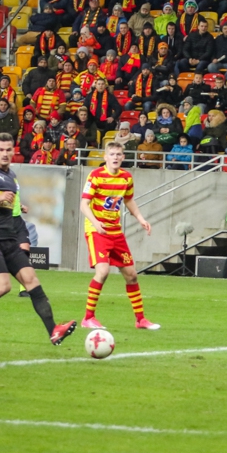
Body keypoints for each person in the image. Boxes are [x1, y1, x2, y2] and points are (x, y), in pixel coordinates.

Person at [0, 133, 77, 345]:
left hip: (9, 239)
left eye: (8, 150)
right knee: (2, 287)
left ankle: (54, 331)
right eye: (1, 150)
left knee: (32, 281)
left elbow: (4, 204)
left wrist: (14, 205)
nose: (5, 154)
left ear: (13, 152)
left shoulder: (11, 176)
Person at [79, 141, 160, 330]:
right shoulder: (96, 175)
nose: (115, 157)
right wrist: (95, 222)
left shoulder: (126, 178)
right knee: (103, 271)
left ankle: (140, 320)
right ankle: (88, 318)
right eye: (112, 154)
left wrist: (141, 219)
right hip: (97, 230)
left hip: (115, 231)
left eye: (118, 154)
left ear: (123, 157)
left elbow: (129, 200)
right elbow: (84, 204)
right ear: (105, 157)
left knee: (131, 275)